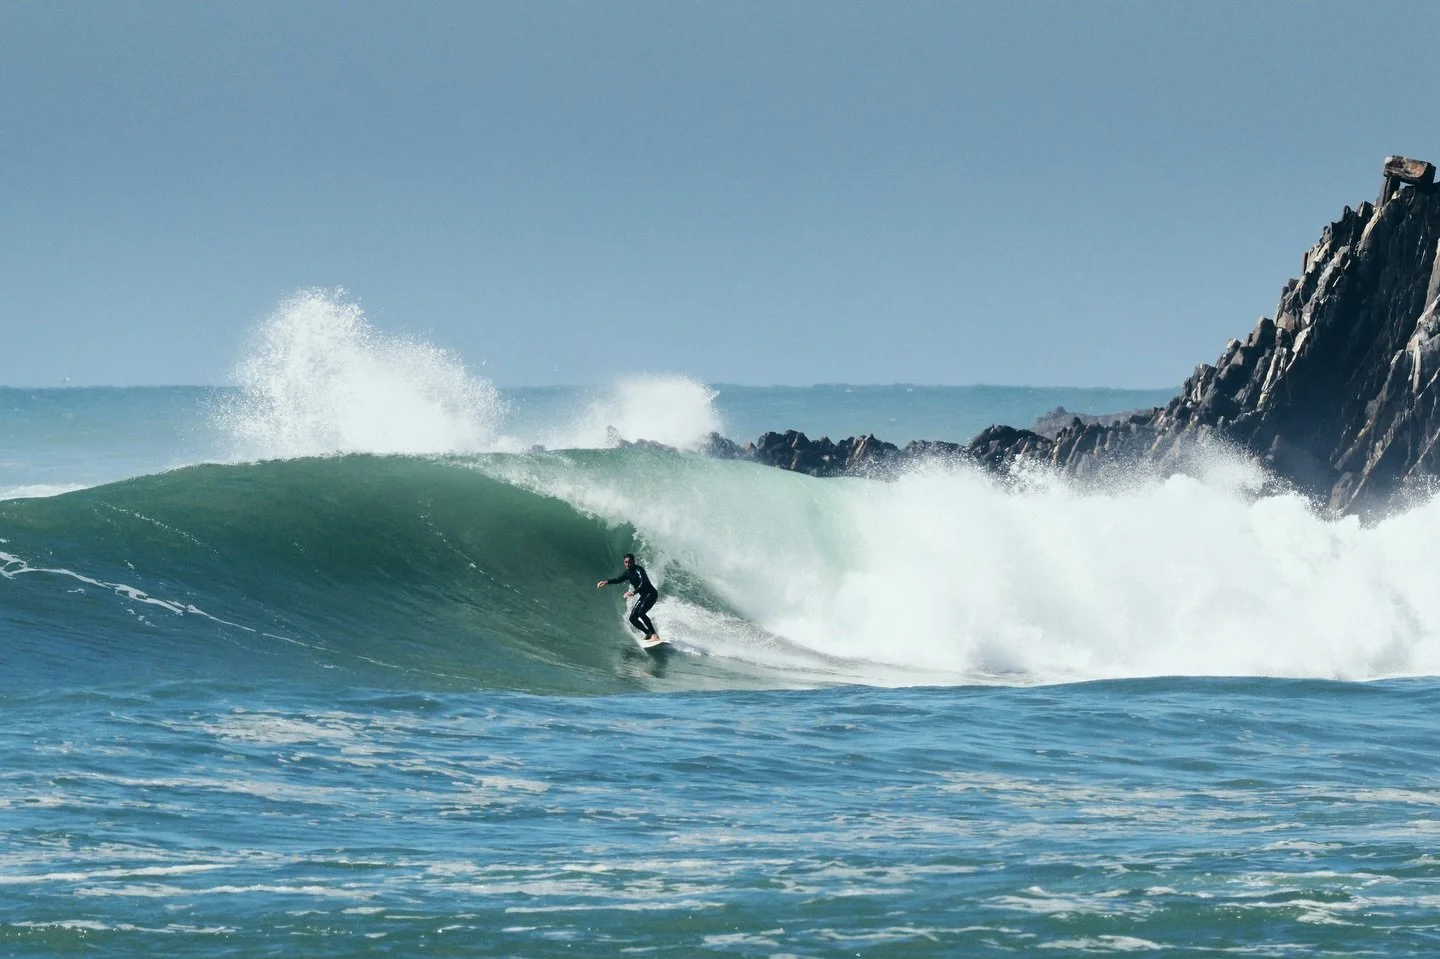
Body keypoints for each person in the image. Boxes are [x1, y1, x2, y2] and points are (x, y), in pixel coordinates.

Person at [596, 553, 659, 640]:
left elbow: (644, 583)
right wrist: (606, 582)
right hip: (644, 596)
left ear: (633, 561)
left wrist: (633, 592)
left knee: (641, 613)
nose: (627, 564)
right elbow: (618, 580)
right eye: (625, 562)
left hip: (651, 594)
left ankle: (654, 634)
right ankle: (647, 633)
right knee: (632, 618)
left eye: (629, 562)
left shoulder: (639, 570)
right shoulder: (628, 573)